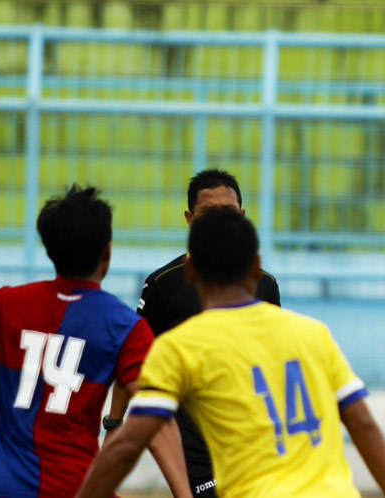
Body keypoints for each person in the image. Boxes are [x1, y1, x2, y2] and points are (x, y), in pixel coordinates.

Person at [76, 208, 385, 498]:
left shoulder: (179, 347)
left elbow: (127, 446)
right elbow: (363, 424)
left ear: (191, 272)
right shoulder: (313, 333)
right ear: (257, 266)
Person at [0, 185, 190, 497]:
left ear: (50, 251)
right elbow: (157, 414)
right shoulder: (123, 326)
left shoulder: (5, 305)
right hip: (75, 488)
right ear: (107, 253)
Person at [111, 168, 281, 498]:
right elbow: (132, 359)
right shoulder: (164, 285)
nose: (219, 225)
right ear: (190, 219)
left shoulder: (266, 285)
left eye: (228, 214)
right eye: (208, 215)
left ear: (243, 218)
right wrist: (113, 425)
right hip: (194, 446)